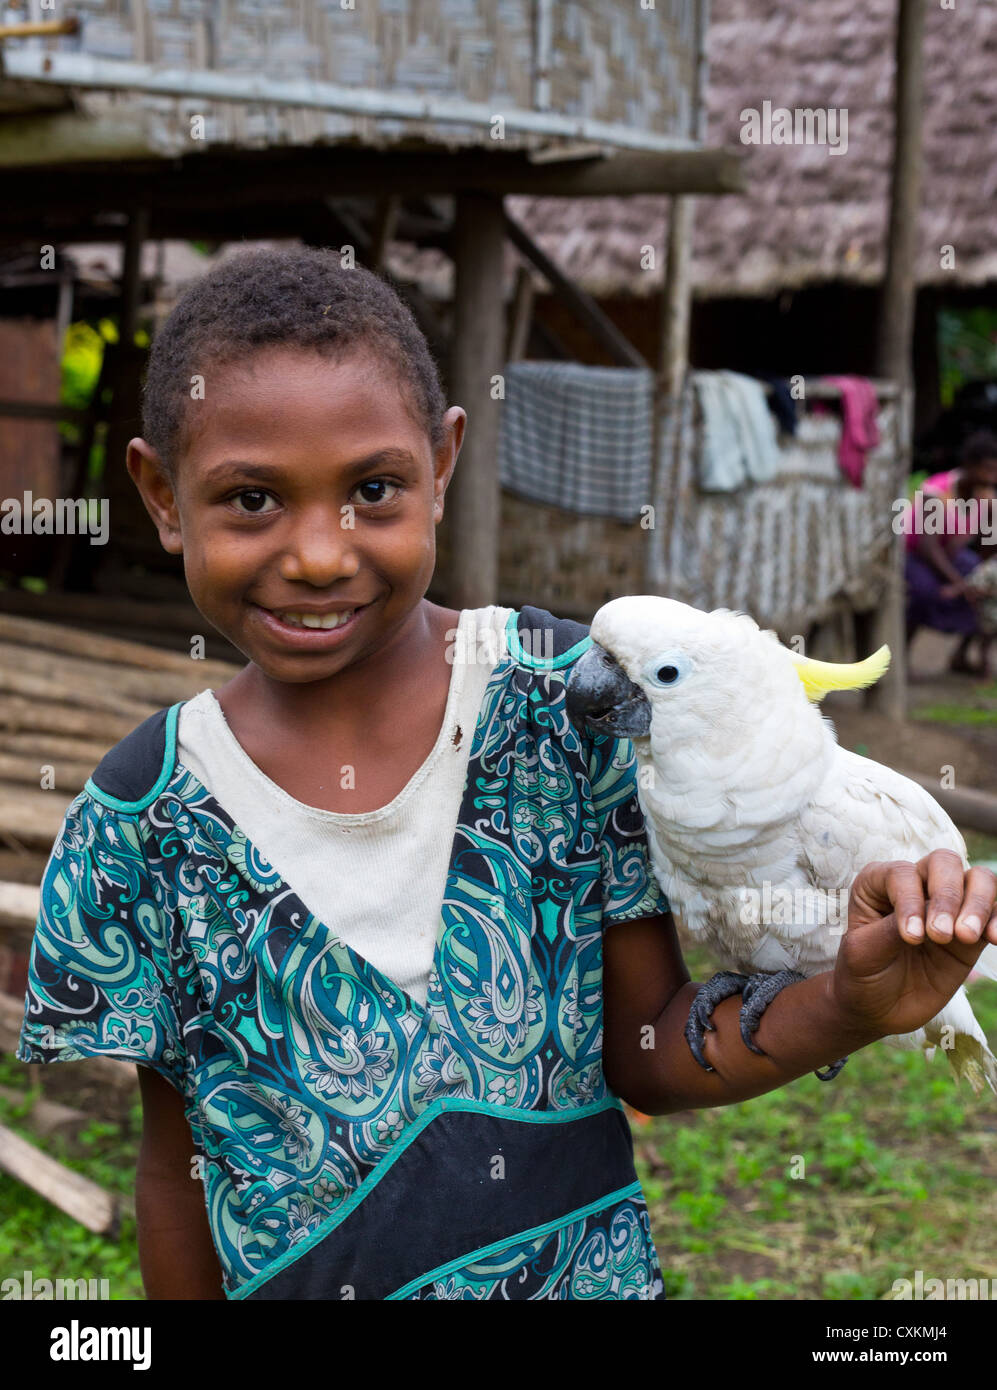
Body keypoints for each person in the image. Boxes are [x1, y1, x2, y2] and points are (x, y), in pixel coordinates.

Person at [17, 248, 997, 1301]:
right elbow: (175, 1170)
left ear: (442, 468)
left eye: (374, 489)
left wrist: (843, 1002)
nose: (315, 553)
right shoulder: (140, 820)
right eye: (250, 499)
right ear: (162, 497)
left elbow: (648, 1049)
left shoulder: (577, 713)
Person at [905, 430, 997, 675]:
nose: (992, 477)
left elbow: (988, 548)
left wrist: (978, 579)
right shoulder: (937, 491)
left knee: (987, 588)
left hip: (950, 556)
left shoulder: (986, 498)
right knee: (924, 592)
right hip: (915, 556)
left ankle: (964, 655)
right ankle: (902, 654)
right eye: (987, 470)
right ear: (969, 465)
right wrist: (961, 584)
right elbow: (927, 546)